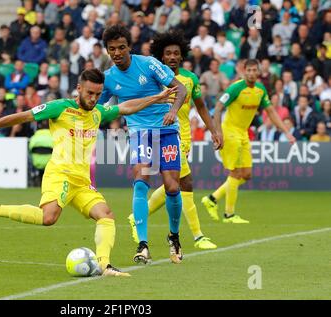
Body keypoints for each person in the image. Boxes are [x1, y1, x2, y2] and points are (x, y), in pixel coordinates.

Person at [0, 68, 177, 277]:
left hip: (81, 182)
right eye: (90, 93)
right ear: (79, 89)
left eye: (98, 94)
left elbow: (126, 107)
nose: (93, 98)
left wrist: (157, 98)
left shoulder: (98, 112)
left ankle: (104, 264)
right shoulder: (60, 107)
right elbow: (23, 116)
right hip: (60, 174)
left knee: (106, 215)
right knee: (48, 218)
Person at [99, 25, 188, 265]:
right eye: (112, 49)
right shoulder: (108, 79)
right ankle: (143, 244)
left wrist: (173, 110)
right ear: (107, 51)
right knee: (141, 181)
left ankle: (174, 236)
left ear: (129, 47)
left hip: (167, 130)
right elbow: (96, 109)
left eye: (121, 48)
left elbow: (182, 88)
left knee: (171, 186)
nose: (117, 53)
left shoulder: (148, 64)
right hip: (139, 133)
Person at [128, 29, 222, 251]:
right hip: (161, 135)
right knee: (184, 183)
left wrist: (214, 130)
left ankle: (139, 215)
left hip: (183, 136)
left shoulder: (190, 79)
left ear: (182, 56)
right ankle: (197, 236)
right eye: (167, 53)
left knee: (176, 184)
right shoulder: (154, 78)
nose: (171, 57)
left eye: (175, 53)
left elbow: (200, 107)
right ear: (161, 56)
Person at [202, 59, 296, 224]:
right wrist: (218, 133)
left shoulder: (260, 90)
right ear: (244, 71)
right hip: (230, 132)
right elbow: (217, 108)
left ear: (259, 72)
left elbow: (271, 112)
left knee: (246, 174)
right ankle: (229, 215)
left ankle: (212, 199)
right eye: (249, 70)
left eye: (255, 70)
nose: (252, 73)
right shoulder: (236, 88)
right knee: (235, 173)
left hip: (243, 133)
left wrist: (286, 132)